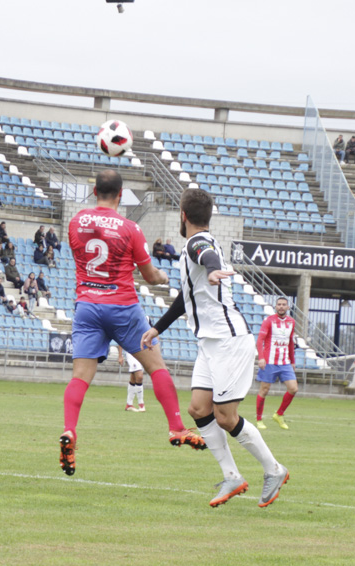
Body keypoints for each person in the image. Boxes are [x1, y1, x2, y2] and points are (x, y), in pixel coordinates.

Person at [141, 188, 288, 508]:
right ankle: (232, 476)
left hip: (229, 342)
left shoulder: (198, 243)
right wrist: (157, 328)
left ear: (183, 216)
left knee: (224, 415)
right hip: (210, 343)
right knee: (198, 408)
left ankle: (274, 470)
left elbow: (206, 254)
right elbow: (186, 298)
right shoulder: (193, 248)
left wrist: (212, 268)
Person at [59, 170, 205, 477]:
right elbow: (151, 276)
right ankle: (176, 428)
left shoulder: (76, 222)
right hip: (123, 306)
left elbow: (79, 258)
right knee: (156, 366)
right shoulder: (130, 228)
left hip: (87, 305)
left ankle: (70, 430)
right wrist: (164, 277)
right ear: (121, 194)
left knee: (80, 376)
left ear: (95, 190)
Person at [254, 297, 298, 431]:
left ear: (288, 307)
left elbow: (290, 342)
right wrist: (261, 358)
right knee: (264, 390)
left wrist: (293, 361)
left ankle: (279, 414)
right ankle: (259, 419)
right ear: (275, 306)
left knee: (293, 389)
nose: (281, 307)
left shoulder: (291, 322)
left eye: (284, 305)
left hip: (285, 362)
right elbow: (259, 340)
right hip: (270, 362)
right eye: (279, 304)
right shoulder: (269, 321)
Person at [116, 345, 145, 412]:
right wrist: (120, 355)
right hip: (131, 352)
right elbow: (120, 339)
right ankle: (141, 404)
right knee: (139, 376)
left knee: (133, 377)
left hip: (141, 352)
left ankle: (129, 404)